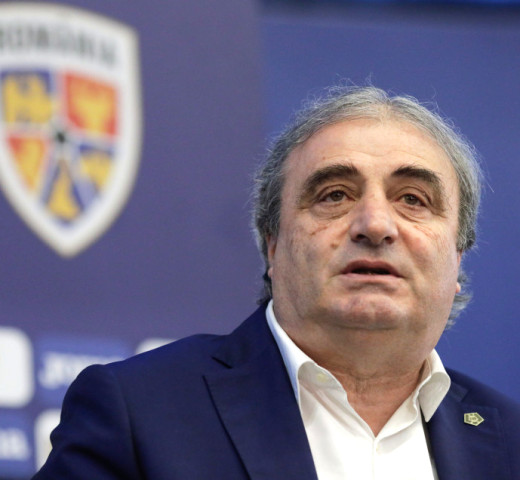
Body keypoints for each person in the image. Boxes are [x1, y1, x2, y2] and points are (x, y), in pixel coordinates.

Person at [33, 86, 520, 479]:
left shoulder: (510, 443)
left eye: (413, 199)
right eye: (334, 195)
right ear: (272, 245)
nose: (375, 224)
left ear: (457, 257)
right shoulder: (140, 411)